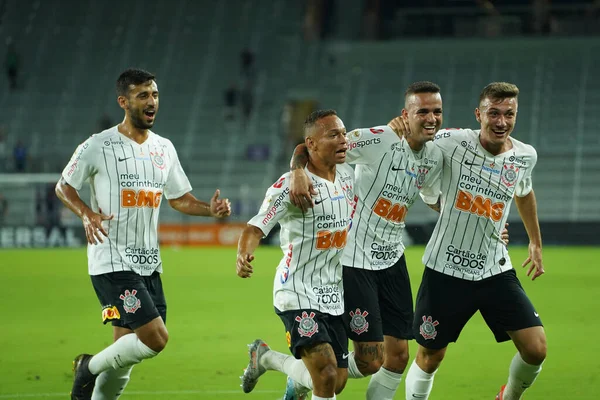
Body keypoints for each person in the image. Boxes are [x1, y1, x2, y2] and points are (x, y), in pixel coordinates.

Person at [55, 68, 231, 400]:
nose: (152, 102)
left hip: (149, 263)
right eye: (143, 96)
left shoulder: (164, 148)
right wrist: (87, 213)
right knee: (155, 339)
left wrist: (210, 209)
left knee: (125, 353)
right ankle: (88, 367)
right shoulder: (98, 145)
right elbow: (64, 186)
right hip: (112, 261)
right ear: (123, 102)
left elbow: (179, 199)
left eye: (155, 95)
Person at [286, 81, 446, 400]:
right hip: (353, 260)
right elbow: (314, 145)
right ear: (406, 114)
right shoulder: (379, 139)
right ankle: (289, 371)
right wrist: (297, 170)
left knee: (397, 357)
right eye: (423, 111)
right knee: (364, 364)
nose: (431, 118)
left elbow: (432, 198)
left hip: (392, 259)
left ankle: (303, 376)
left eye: (437, 111)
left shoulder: (434, 156)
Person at [389, 82, 546, 400]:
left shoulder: (524, 156)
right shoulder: (451, 142)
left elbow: (524, 192)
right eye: (494, 113)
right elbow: (420, 171)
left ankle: (508, 396)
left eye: (509, 114)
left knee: (536, 349)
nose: (501, 121)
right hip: (446, 270)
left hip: (494, 269)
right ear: (479, 114)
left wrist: (534, 242)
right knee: (430, 357)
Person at [236, 109, 354, 400]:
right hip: (296, 290)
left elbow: (301, 149)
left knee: (336, 380)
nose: (343, 140)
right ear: (312, 145)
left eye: (343, 133)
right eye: (333, 135)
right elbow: (254, 228)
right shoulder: (288, 188)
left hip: (334, 292)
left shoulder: (350, 173)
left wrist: (298, 166)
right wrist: (243, 254)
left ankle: (266, 358)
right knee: (325, 376)